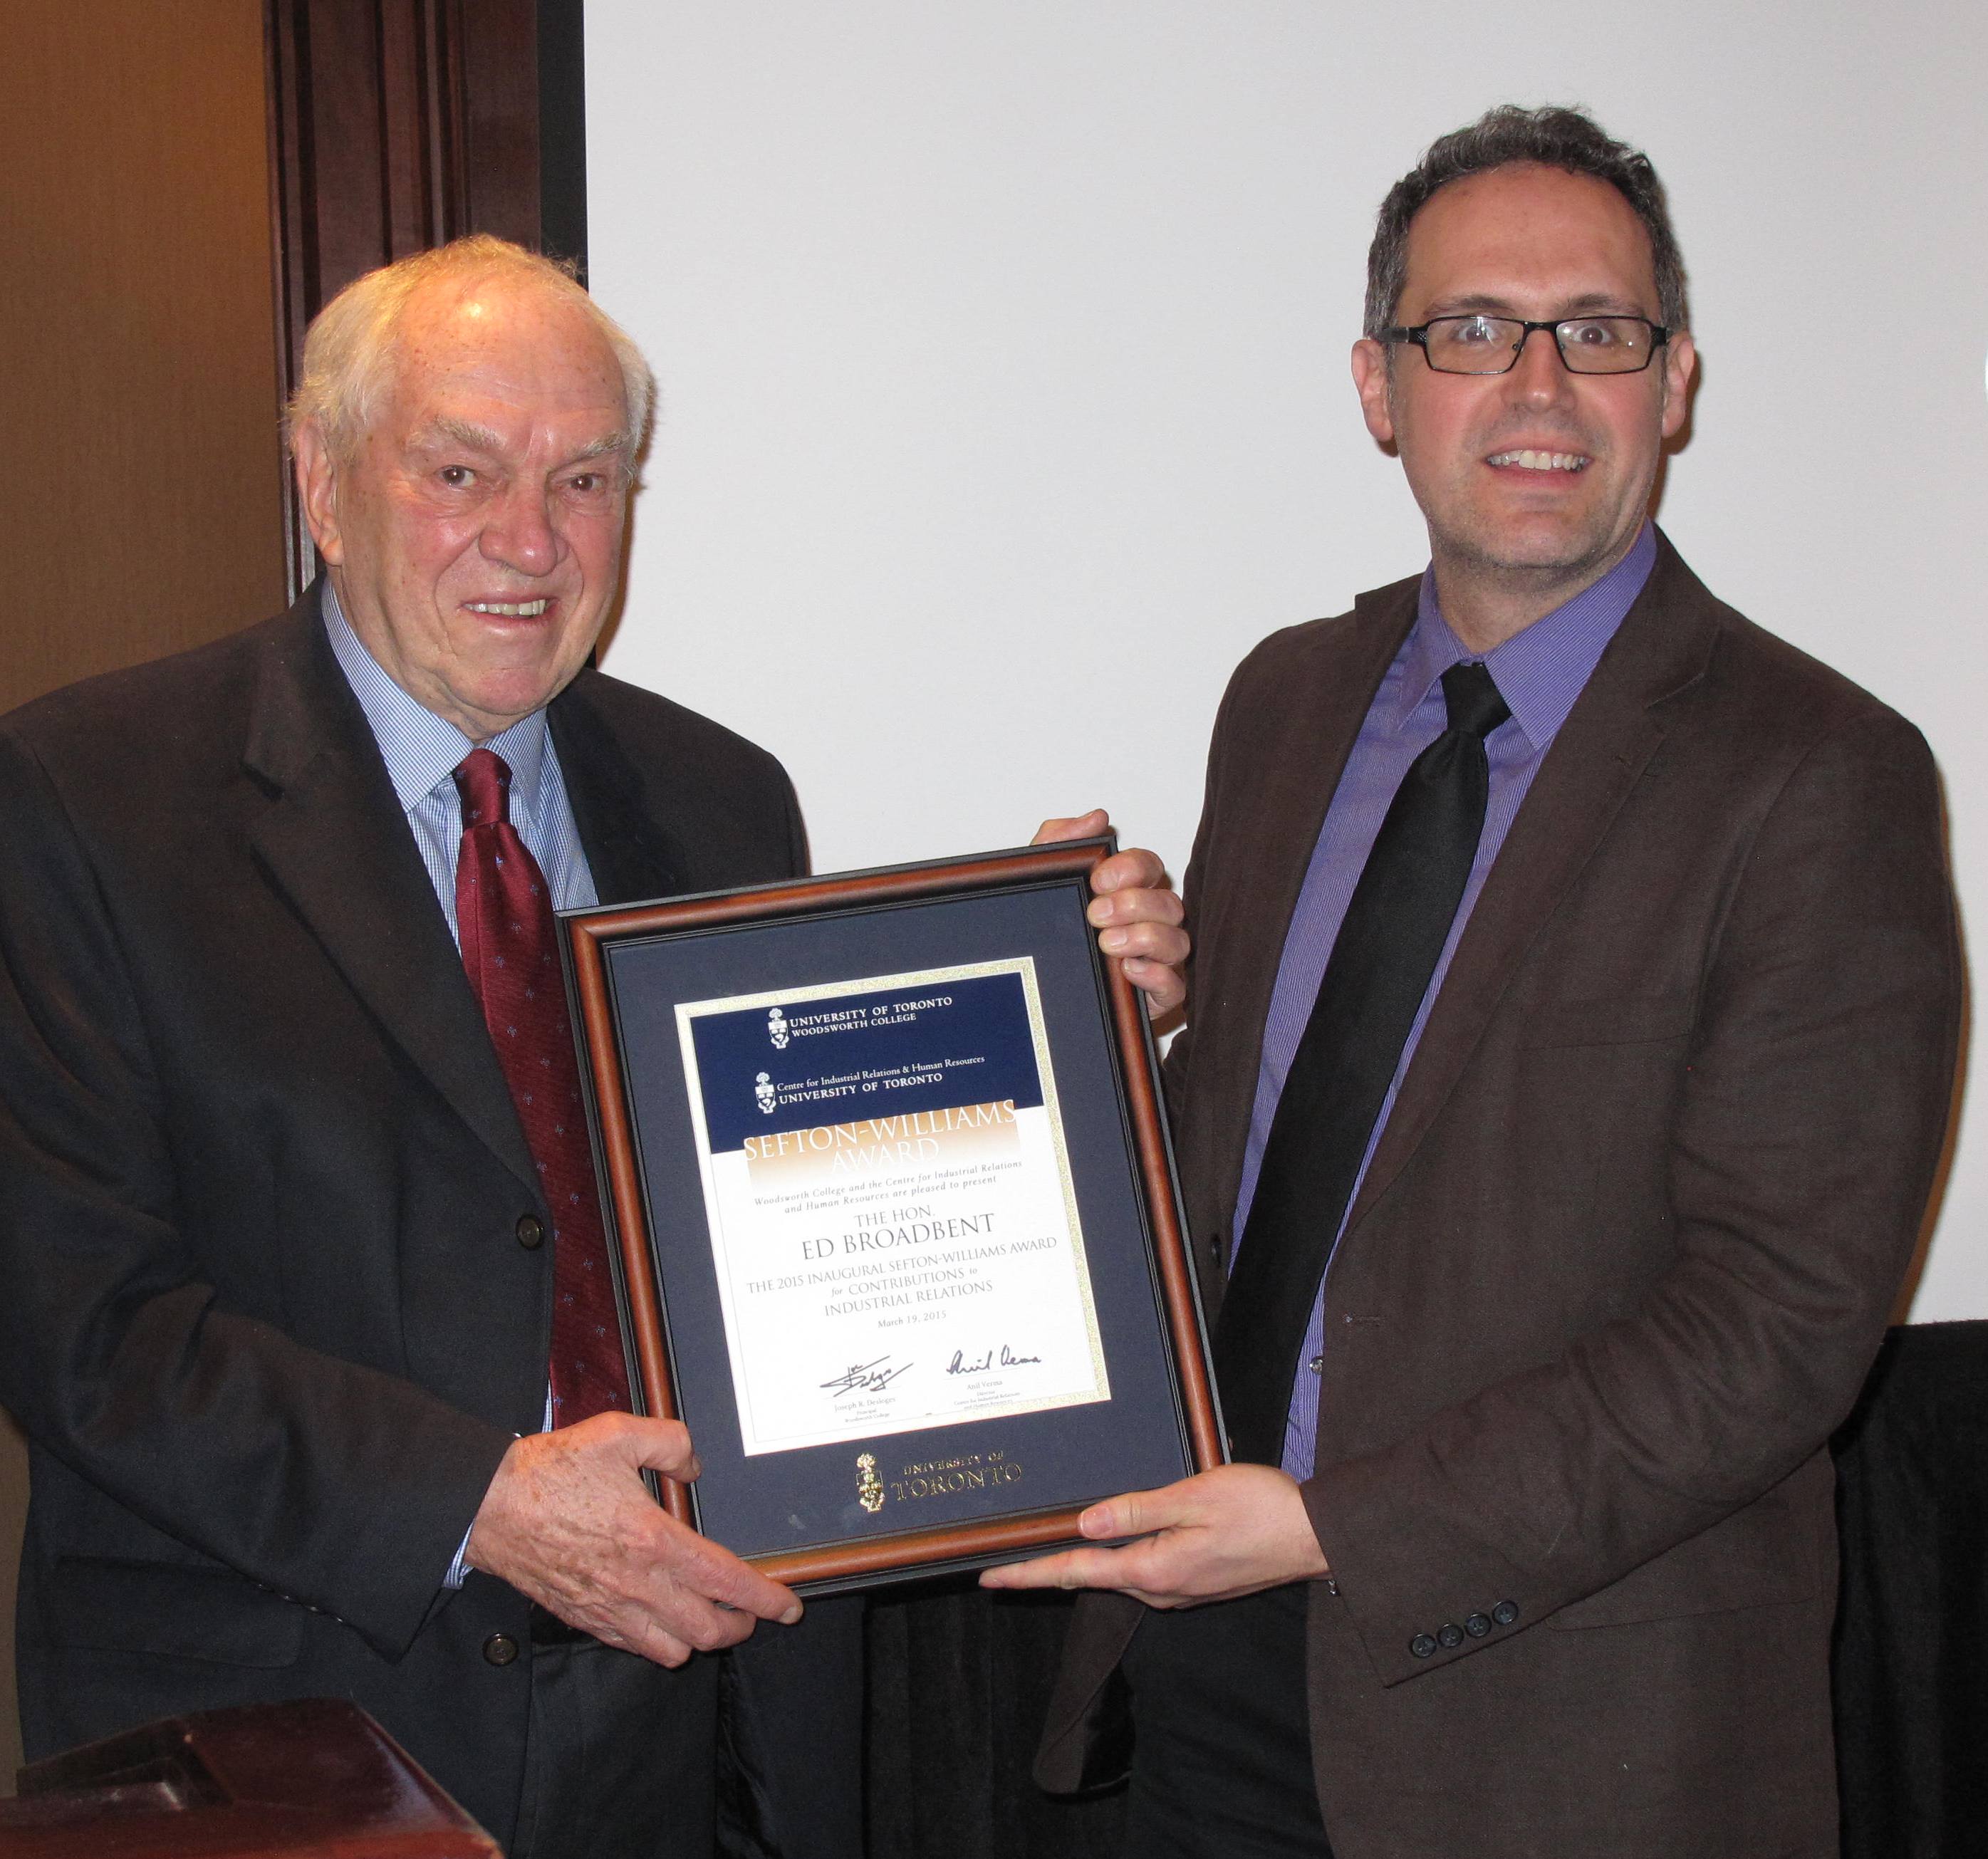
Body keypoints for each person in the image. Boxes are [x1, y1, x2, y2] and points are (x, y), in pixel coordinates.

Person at [0, 235, 1187, 1858]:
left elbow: (790, 1187)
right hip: (285, 1736)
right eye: (458, 470)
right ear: (324, 485)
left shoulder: (719, 797)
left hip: (673, 1729)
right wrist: (480, 1500)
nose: (528, 541)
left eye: (584, 479)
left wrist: (1057, 988)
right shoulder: (85, 798)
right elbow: (79, 1325)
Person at [984, 105, 1960, 1858]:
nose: (1535, 385)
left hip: (1568, 1740)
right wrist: (1112, 1031)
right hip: (1198, 1674)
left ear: (1671, 386)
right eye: (1468, 332)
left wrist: (1333, 1526)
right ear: (1378, 385)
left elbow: (1776, 1326)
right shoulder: (1284, 700)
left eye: (1597, 332)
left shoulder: (1820, 770)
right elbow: (1293, 1154)